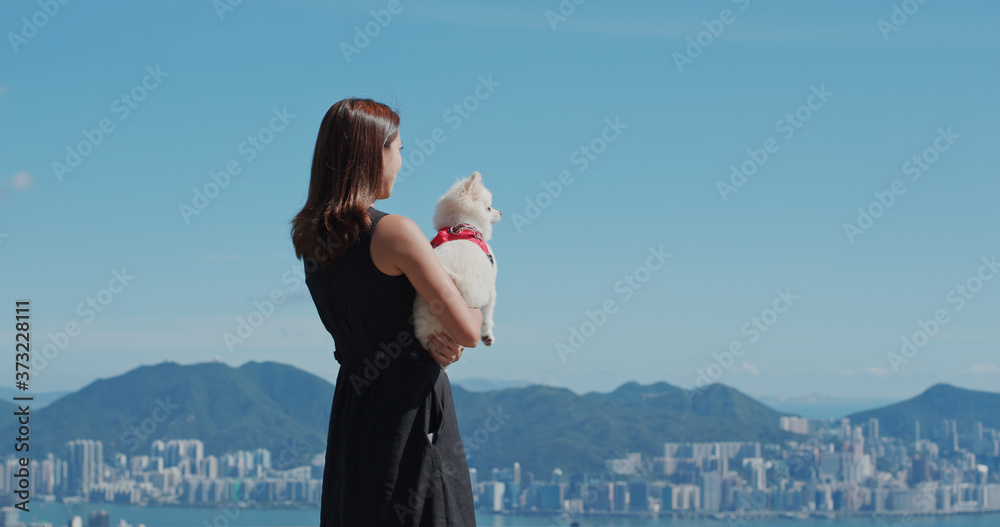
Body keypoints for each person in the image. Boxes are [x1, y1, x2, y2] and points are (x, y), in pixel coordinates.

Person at [290, 98, 481, 526]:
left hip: (356, 409)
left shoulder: (313, 240)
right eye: (398, 149)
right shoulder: (394, 232)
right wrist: (472, 256)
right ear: (373, 152)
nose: (401, 161)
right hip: (409, 411)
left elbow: (375, 317)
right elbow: (469, 328)